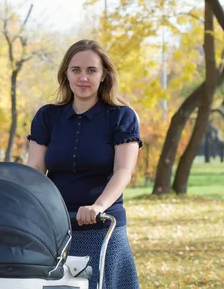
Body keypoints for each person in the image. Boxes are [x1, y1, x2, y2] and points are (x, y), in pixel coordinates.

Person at [27, 39, 141, 289]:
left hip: (103, 226)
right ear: (65, 74)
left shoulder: (122, 116)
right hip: (56, 228)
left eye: (92, 70)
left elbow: (123, 171)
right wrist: (37, 209)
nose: (83, 77)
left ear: (103, 76)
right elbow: (36, 170)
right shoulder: (47, 116)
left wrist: (98, 206)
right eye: (76, 70)